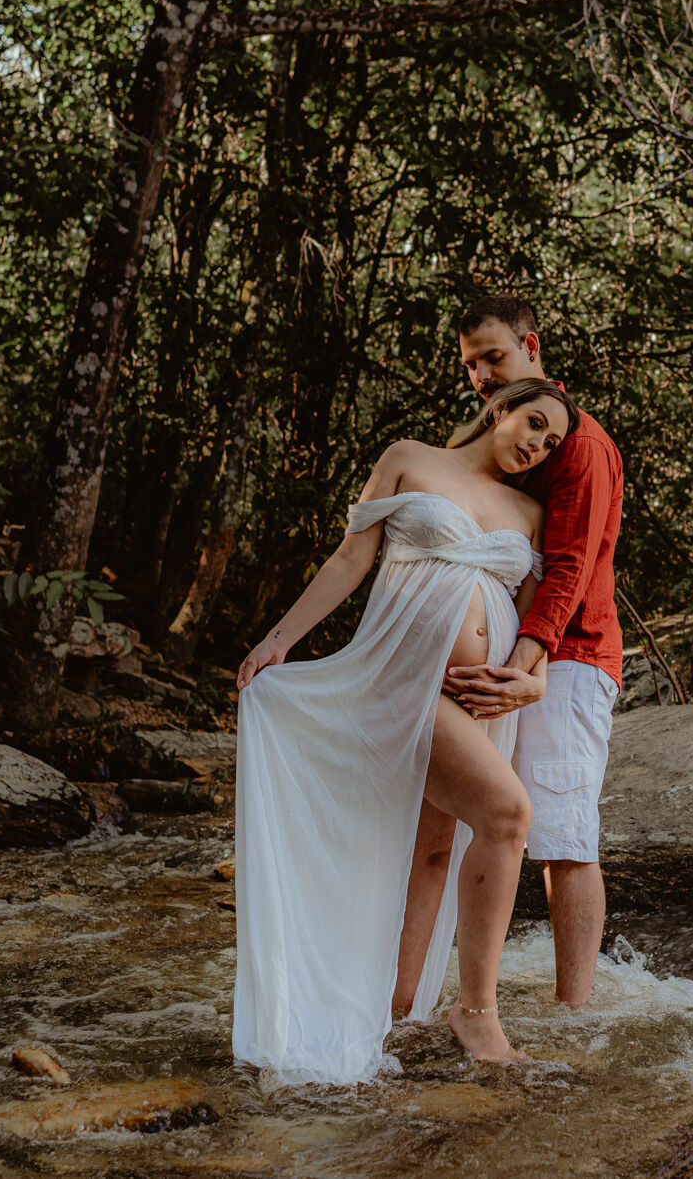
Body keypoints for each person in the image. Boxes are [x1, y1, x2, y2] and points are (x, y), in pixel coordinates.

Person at [231, 378, 579, 1083]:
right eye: (533, 422)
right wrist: (279, 640)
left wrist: (519, 680)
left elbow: (537, 612)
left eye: (550, 441)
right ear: (499, 408)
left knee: (436, 845)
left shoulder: (531, 511)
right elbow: (351, 559)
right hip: (401, 684)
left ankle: (394, 1011)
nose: (537, 444)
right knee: (508, 815)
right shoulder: (411, 458)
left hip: (477, 704)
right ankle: (477, 1012)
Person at [392, 296, 624, 1015]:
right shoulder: (516, 445)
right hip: (520, 663)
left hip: (569, 660)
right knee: (482, 822)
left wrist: (528, 668)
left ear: (530, 346)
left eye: (493, 357)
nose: (482, 375)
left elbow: (569, 569)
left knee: (563, 835)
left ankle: (573, 1010)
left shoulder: (578, 444)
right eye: (470, 366)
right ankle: (422, 995)